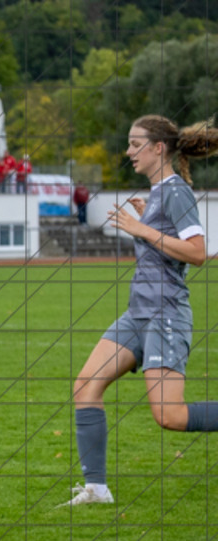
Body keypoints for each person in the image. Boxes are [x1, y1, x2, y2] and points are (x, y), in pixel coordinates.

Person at [62, 115, 218, 506]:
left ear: (158, 148)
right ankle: (97, 489)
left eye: (135, 144)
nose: (129, 151)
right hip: (138, 313)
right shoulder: (160, 194)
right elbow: (167, 242)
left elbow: (198, 252)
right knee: (86, 386)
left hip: (165, 314)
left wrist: (142, 228)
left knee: (170, 416)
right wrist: (149, 216)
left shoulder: (176, 192)